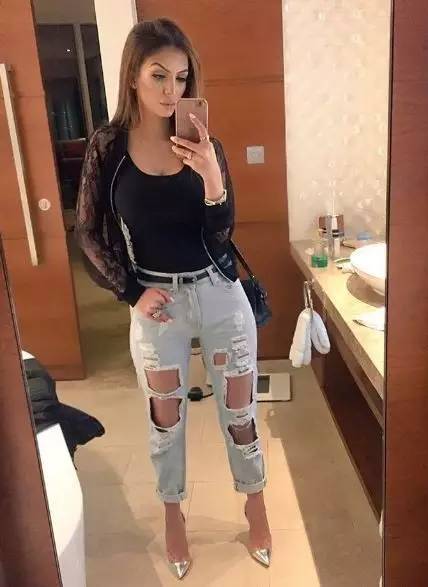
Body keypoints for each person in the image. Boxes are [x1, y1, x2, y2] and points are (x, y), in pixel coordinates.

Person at [75, 18, 271, 580]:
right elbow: (88, 232)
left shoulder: (206, 144)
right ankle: (173, 517)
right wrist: (131, 292)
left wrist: (211, 175)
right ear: (133, 76)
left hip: (218, 293)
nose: (170, 90)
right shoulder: (108, 147)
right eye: (158, 75)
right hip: (156, 303)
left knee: (240, 413)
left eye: (181, 78)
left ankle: (255, 505)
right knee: (165, 421)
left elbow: (220, 234)